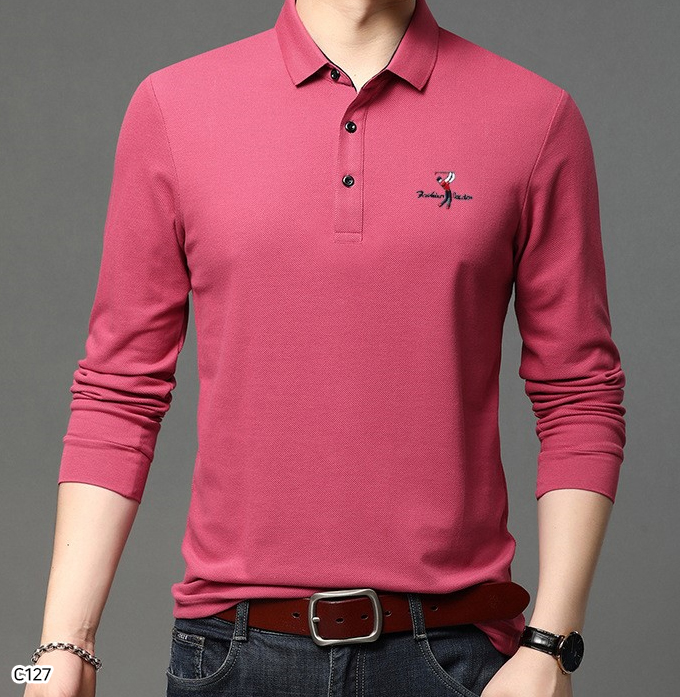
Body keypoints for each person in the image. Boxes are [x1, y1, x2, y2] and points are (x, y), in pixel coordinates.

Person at [26, 1, 627, 696]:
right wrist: (60, 644)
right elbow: (118, 389)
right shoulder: (172, 107)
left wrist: (551, 645)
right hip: (231, 655)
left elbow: (580, 393)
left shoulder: (536, 117)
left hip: (456, 657)